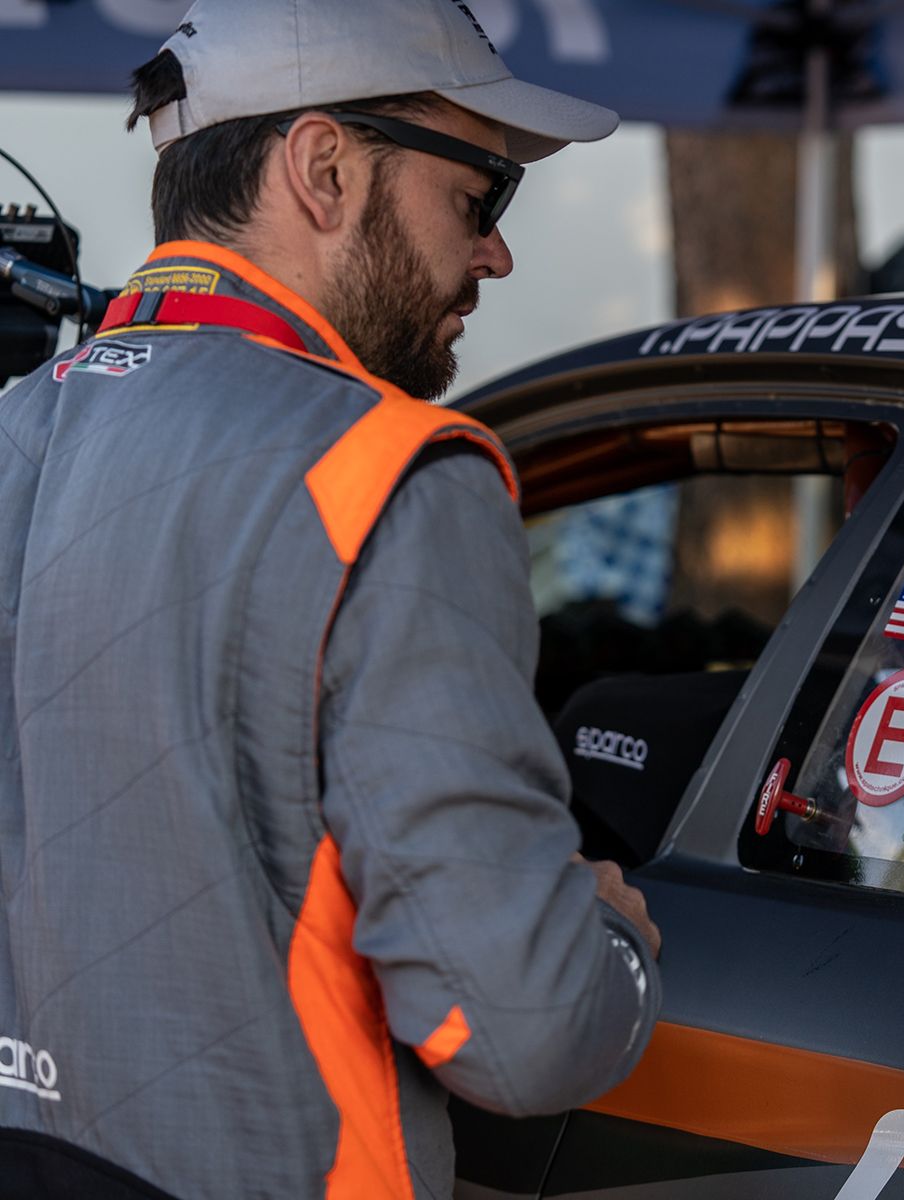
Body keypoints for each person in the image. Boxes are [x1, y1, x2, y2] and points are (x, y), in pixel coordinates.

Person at [0, 2, 661, 1197]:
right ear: (323, 169)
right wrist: (608, 933)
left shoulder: (12, 428)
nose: (496, 253)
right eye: (482, 196)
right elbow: (521, 1031)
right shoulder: (385, 472)